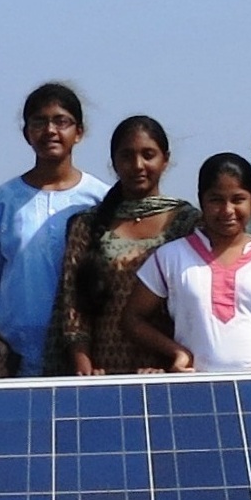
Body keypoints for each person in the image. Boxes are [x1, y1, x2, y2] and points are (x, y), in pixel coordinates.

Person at [122, 153, 251, 372]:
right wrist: (177, 352)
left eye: (238, 199)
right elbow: (132, 319)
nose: (227, 210)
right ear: (201, 201)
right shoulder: (170, 257)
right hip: (198, 391)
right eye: (216, 200)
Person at [0, 82, 110, 376]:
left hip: (82, 355)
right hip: (16, 352)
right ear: (27, 133)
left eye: (61, 121)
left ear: (79, 132)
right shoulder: (4, 201)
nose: (50, 130)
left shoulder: (99, 199)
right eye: (39, 122)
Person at [55, 116, 188, 376]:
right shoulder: (88, 225)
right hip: (104, 370)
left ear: (165, 159)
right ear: (114, 162)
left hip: (168, 368)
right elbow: (73, 305)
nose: (138, 165)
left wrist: (176, 361)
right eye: (127, 156)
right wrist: (85, 366)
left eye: (148, 155)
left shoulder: (187, 223)